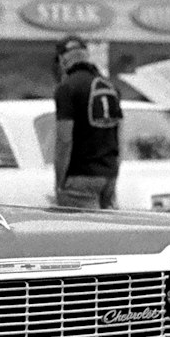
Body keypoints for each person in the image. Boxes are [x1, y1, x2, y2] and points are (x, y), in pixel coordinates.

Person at [52, 35, 122, 209]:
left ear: (62, 59)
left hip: (80, 177)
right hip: (109, 175)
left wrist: (60, 182)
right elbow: (118, 135)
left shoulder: (67, 88)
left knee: (81, 234)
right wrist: (113, 171)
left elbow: (64, 140)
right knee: (107, 233)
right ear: (86, 54)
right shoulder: (110, 87)